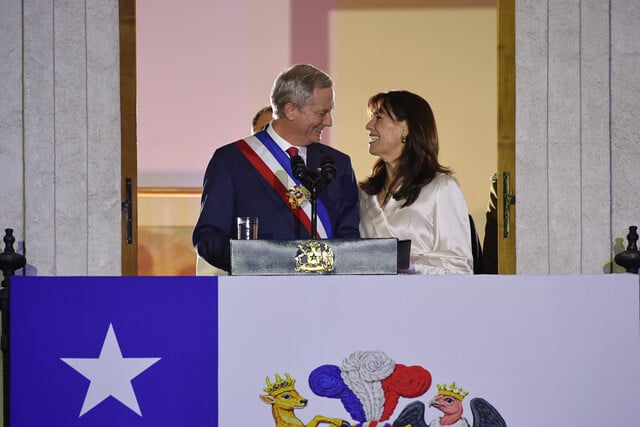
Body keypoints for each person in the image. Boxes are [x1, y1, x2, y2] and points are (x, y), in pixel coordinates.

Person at [193, 64, 360, 274]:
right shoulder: (231, 160)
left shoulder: (337, 164)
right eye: (322, 113)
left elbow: (350, 239)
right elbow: (208, 237)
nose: (329, 122)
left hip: (329, 289)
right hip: (258, 289)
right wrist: (256, 260)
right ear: (290, 110)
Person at [358, 90, 473, 274]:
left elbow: (459, 267)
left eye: (378, 118)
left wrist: (404, 264)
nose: (369, 125)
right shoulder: (363, 195)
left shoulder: (441, 187)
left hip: (421, 293)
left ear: (405, 128)